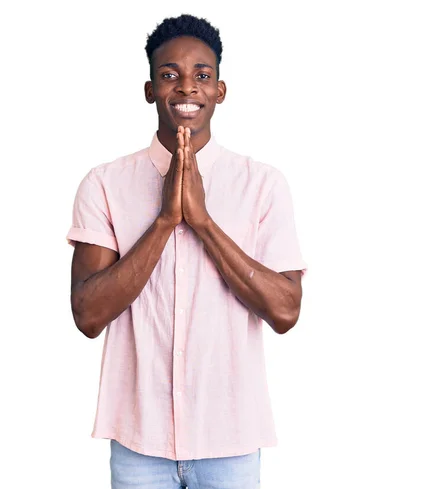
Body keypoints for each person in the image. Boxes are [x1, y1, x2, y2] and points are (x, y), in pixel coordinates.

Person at [66, 13, 307, 489]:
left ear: (220, 90)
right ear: (150, 89)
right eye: (169, 74)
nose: (186, 88)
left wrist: (202, 222)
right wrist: (165, 221)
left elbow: (286, 311)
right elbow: (87, 315)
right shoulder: (105, 184)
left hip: (231, 444)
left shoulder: (262, 185)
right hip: (140, 446)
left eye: (202, 75)